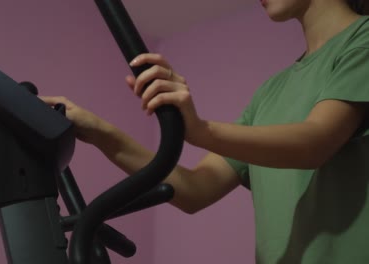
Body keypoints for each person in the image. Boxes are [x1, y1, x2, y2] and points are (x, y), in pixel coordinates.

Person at [41, 0, 369, 263]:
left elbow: (315, 142)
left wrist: (198, 130)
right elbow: (195, 188)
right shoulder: (271, 92)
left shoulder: (363, 40)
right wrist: (98, 130)